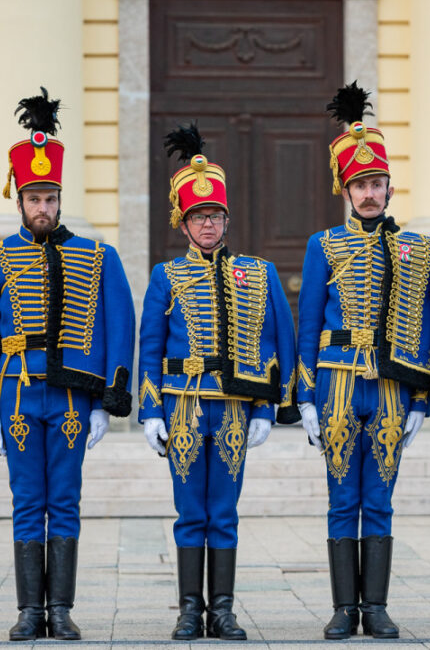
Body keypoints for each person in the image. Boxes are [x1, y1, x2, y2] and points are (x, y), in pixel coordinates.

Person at [296, 83, 430, 640]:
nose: (369, 193)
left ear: (390, 187)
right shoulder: (323, 246)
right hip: (339, 384)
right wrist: (305, 397)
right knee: (342, 496)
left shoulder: (424, 249)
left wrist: (428, 397)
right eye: (360, 185)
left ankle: (378, 606)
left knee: (381, 500)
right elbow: (308, 324)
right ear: (346, 189)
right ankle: (345, 608)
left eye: (376, 183)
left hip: (394, 387)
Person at [0, 88, 136, 641]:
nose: (42, 207)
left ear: (61, 199)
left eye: (50, 198)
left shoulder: (97, 255)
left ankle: (60, 610)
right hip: (18, 394)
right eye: (33, 198)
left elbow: (120, 329)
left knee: (64, 500)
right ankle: (28, 611)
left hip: (70, 397)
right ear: (18, 200)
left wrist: (107, 405)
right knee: (27, 501)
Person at [138, 123, 301, 642]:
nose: (207, 224)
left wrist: (266, 408)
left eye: (214, 216)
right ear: (182, 223)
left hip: (234, 407)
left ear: (226, 220)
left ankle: (223, 610)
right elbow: (148, 348)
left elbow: (278, 343)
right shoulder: (165, 277)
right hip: (183, 407)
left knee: (224, 511)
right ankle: (189, 610)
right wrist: (149, 411)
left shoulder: (259, 272)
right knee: (190, 512)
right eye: (197, 217)